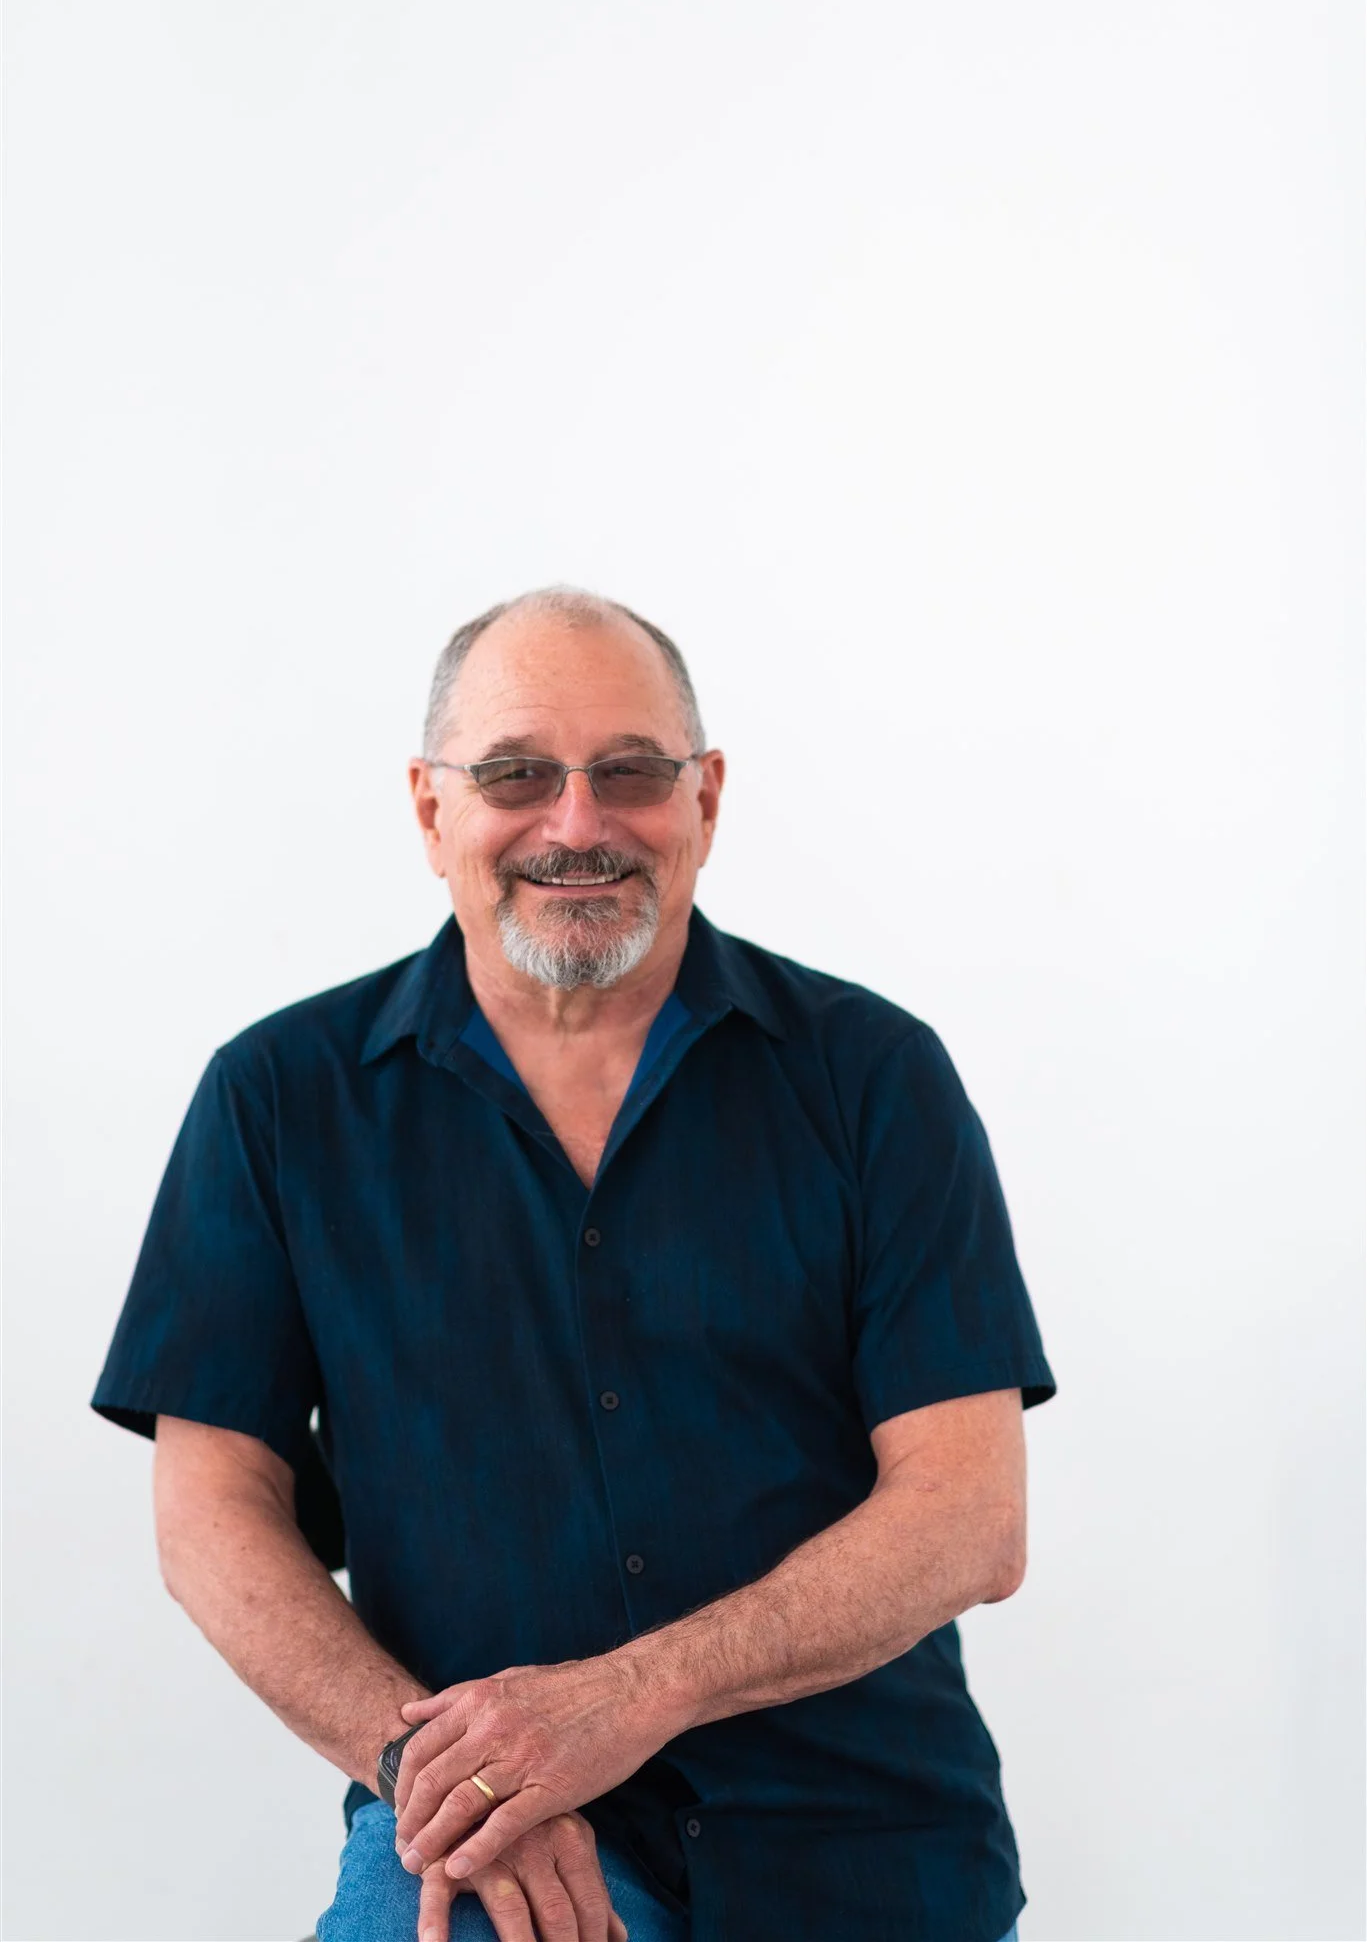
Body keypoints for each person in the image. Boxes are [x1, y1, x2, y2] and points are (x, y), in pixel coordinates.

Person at [91, 586, 1056, 1942]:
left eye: (631, 772)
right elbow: (211, 1513)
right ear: (431, 809)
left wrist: (624, 1700)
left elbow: (969, 1516)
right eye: (516, 775)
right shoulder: (277, 1100)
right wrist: (447, 1771)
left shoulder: (874, 1078)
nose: (577, 822)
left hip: (863, 1843)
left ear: (705, 798)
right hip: (488, 1846)